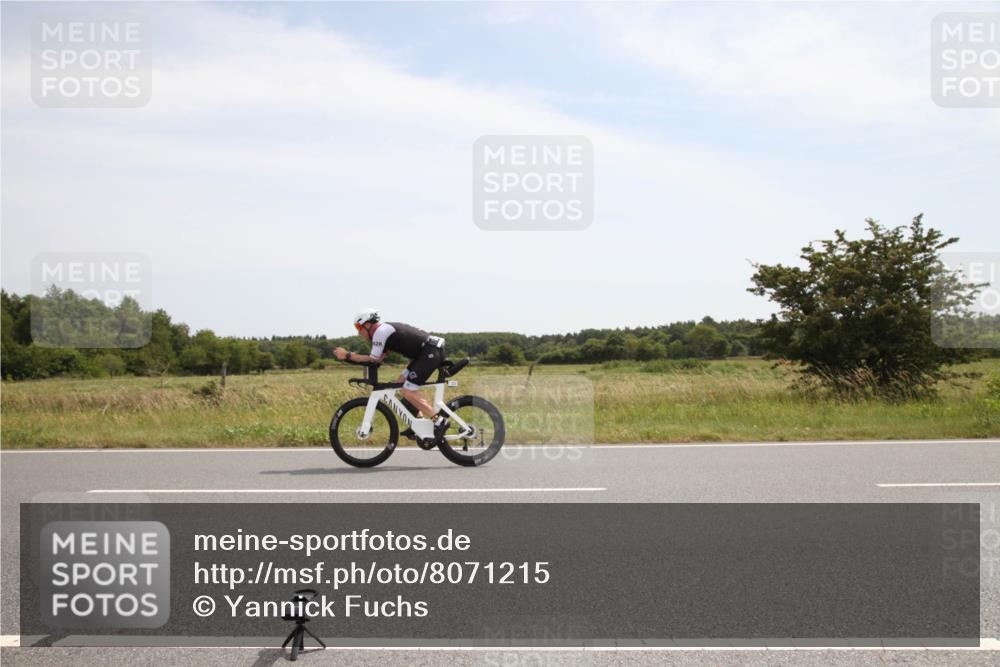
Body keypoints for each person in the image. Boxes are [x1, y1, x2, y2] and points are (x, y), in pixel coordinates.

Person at [333, 308, 449, 439]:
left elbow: (373, 359)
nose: (358, 332)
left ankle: (439, 420)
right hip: (424, 353)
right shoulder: (384, 333)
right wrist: (349, 359)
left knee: (407, 390)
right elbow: (378, 359)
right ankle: (418, 424)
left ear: (367, 324)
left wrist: (347, 355)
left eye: (359, 327)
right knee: (399, 384)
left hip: (430, 351)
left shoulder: (380, 332)